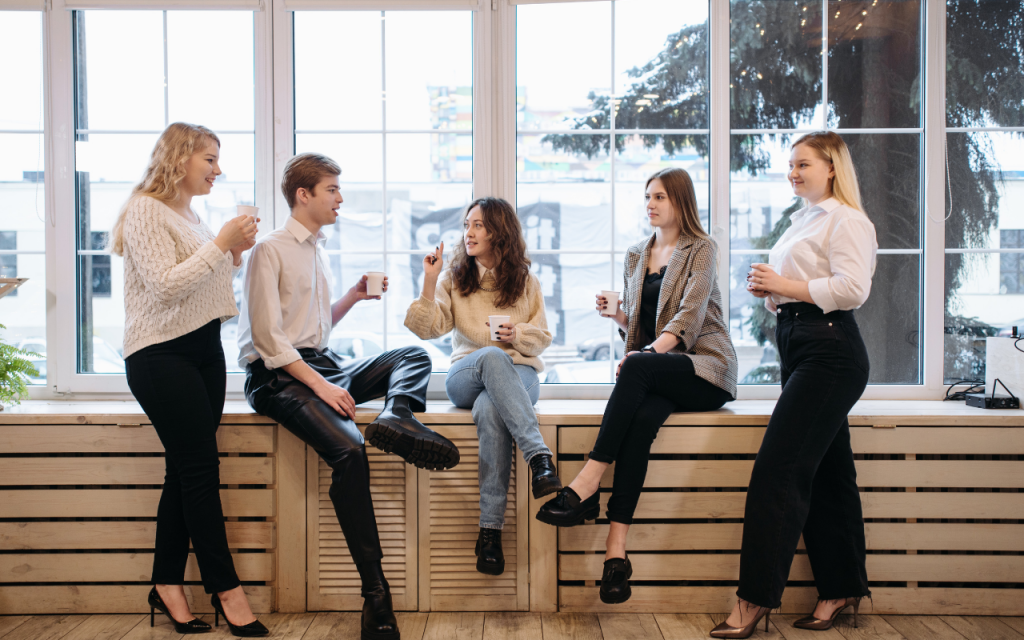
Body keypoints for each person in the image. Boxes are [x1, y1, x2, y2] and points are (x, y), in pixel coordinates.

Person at [238, 152, 460, 640]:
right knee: (350, 450)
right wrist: (322, 386)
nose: (340, 198)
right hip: (275, 377)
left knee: (411, 356)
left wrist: (352, 298)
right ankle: (375, 594)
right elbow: (269, 341)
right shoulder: (268, 250)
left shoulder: (316, 250)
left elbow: (312, 331)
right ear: (304, 195)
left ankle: (398, 416)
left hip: (318, 363)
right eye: (332, 190)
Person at [536, 167, 737, 605]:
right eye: (648, 196)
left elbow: (688, 318)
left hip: (705, 368)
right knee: (641, 421)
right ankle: (616, 555)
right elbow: (644, 331)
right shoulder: (635, 254)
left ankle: (588, 481)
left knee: (637, 370)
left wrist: (644, 358)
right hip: (661, 369)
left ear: (680, 201)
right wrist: (622, 320)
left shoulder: (701, 249)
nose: (650, 203)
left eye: (660, 196)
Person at [711, 131, 877, 638]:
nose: (793, 172)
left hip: (831, 353)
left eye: (803, 163)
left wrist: (783, 286)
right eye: (790, 165)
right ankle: (841, 587)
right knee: (828, 475)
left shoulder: (848, 220)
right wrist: (771, 293)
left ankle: (753, 601)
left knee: (777, 471)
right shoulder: (802, 220)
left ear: (832, 167)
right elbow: (800, 289)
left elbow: (853, 290)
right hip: (800, 343)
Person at [112, 122, 268, 636]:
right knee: (200, 472)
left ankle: (166, 585)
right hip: (160, 355)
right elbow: (164, 288)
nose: (218, 170)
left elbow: (205, 282)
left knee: (183, 473)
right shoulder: (144, 210)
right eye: (210, 159)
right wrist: (220, 243)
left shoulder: (192, 215)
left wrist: (233, 250)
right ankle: (227, 591)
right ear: (180, 159)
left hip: (203, 351)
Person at [405, 197, 560, 576]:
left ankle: (489, 533)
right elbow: (429, 329)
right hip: (466, 375)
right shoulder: (454, 278)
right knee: (492, 356)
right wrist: (429, 279)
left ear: (499, 232)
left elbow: (541, 338)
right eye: (466, 225)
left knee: (492, 409)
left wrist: (517, 332)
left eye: (478, 225)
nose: (468, 233)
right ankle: (539, 456)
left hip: (519, 374)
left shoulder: (526, 281)